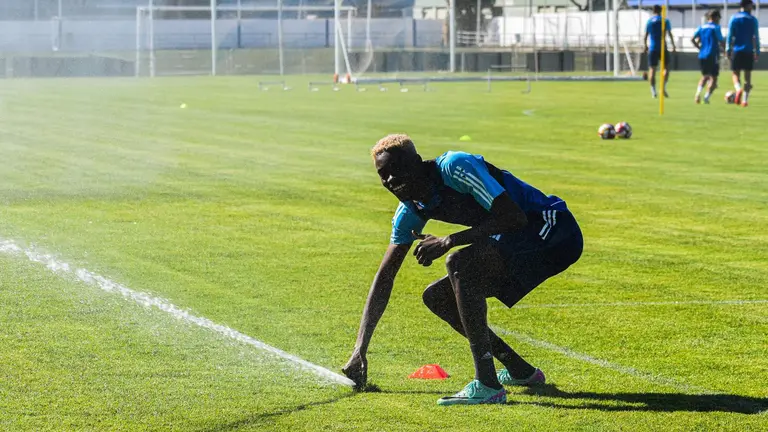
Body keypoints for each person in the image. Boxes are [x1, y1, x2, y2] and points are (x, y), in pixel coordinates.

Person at [342, 134, 584, 405]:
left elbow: (514, 217)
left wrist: (450, 240)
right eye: (382, 175)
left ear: (417, 163)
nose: (389, 181)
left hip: (554, 230)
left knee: (459, 264)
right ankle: (520, 371)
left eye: (395, 170)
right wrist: (360, 349)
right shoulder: (410, 210)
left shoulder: (456, 167)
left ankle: (487, 384)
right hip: (523, 239)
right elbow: (385, 277)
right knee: (437, 297)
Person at [727, 0, 760, 107]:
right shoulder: (753, 19)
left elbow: (730, 35)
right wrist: (757, 50)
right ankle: (744, 101)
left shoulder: (734, 18)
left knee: (735, 73)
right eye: (751, 5)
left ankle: (738, 89)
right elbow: (756, 37)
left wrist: (728, 49)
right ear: (747, 5)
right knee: (748, 77)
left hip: (737, 50)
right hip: (748, 50)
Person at [691, 10, 725, 104]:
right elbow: (721, 41)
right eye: (719, 18)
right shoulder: (716, 28)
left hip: (702, 55)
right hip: (712, 55)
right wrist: (726, 51)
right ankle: (706, 98)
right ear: (715, 18)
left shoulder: (701, 27)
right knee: (714, 78)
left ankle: (697, 94)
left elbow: (692, 39)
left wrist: (699, 48)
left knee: (705, 76)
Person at [644, 5, 677, 98]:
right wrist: (674, 46)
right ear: (661, 11)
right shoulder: (665, 21)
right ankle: (663, 88)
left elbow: (646, 35)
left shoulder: (649, 21)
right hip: (663, 47)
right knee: (666, 68)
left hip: (653, 48)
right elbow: (670, 34)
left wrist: (645, 46)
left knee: (652, 70)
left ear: (653, 11)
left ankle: (653, 91)